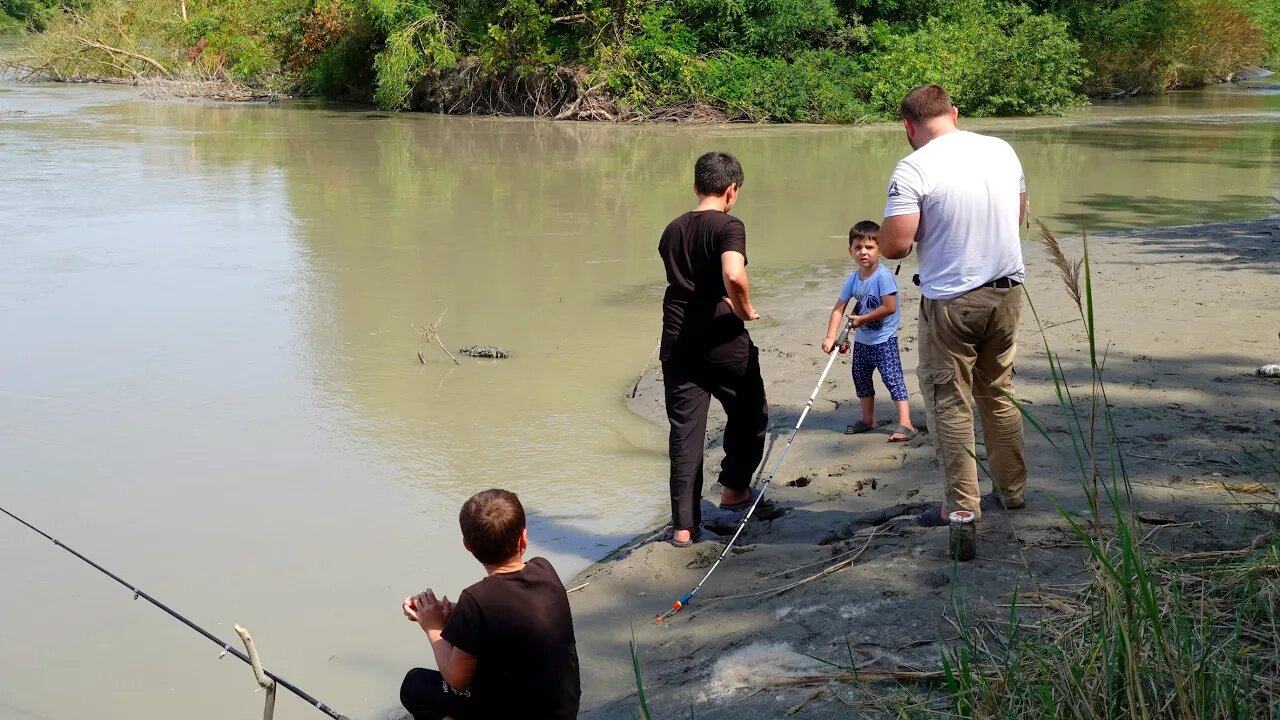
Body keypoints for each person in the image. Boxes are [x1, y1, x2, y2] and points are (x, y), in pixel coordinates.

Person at [875, 84, 1028, 527]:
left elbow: (897, 246)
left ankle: (961, 508)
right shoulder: (1002, 150)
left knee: (949, 402)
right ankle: (1013, 492)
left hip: (951, 301)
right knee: (998, 393)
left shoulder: (913, 167)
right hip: (1007, 292)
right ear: (954, 113)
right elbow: (1016, 217)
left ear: (908, 126)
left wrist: (890, 236)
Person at [658, 151, 769, 548]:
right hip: (721, 335)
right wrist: (745, 309)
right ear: (732, 189)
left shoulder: (672, 229)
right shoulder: (729, 225)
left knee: (685, 433)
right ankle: (735, 490)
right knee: (750, 410)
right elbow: (734, 274)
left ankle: (684, 527)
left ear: (695, 186)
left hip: (677, 337)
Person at [399, 489, 580, 720]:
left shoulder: (476, 600)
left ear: (467, 545)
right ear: (524, 537)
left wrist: (432, 626)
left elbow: (455, 678)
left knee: (415, 685)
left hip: (516, 712)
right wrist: (447, 613)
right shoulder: (544, 570)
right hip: (562, 711)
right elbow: (505, 615)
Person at [821, 221, 917, 443]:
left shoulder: (883, 276)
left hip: (884, 339)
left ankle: (906, 423)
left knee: (893, 379)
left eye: (869, 247)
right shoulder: (853, 279)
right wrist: (831, 336)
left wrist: (862, 319)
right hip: (863, 340)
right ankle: (868, 419)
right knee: (861, 378)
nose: (863, 252)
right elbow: (839, 308)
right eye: (858, 247)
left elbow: (889, 307)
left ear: (880, 249)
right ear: (850, 251)